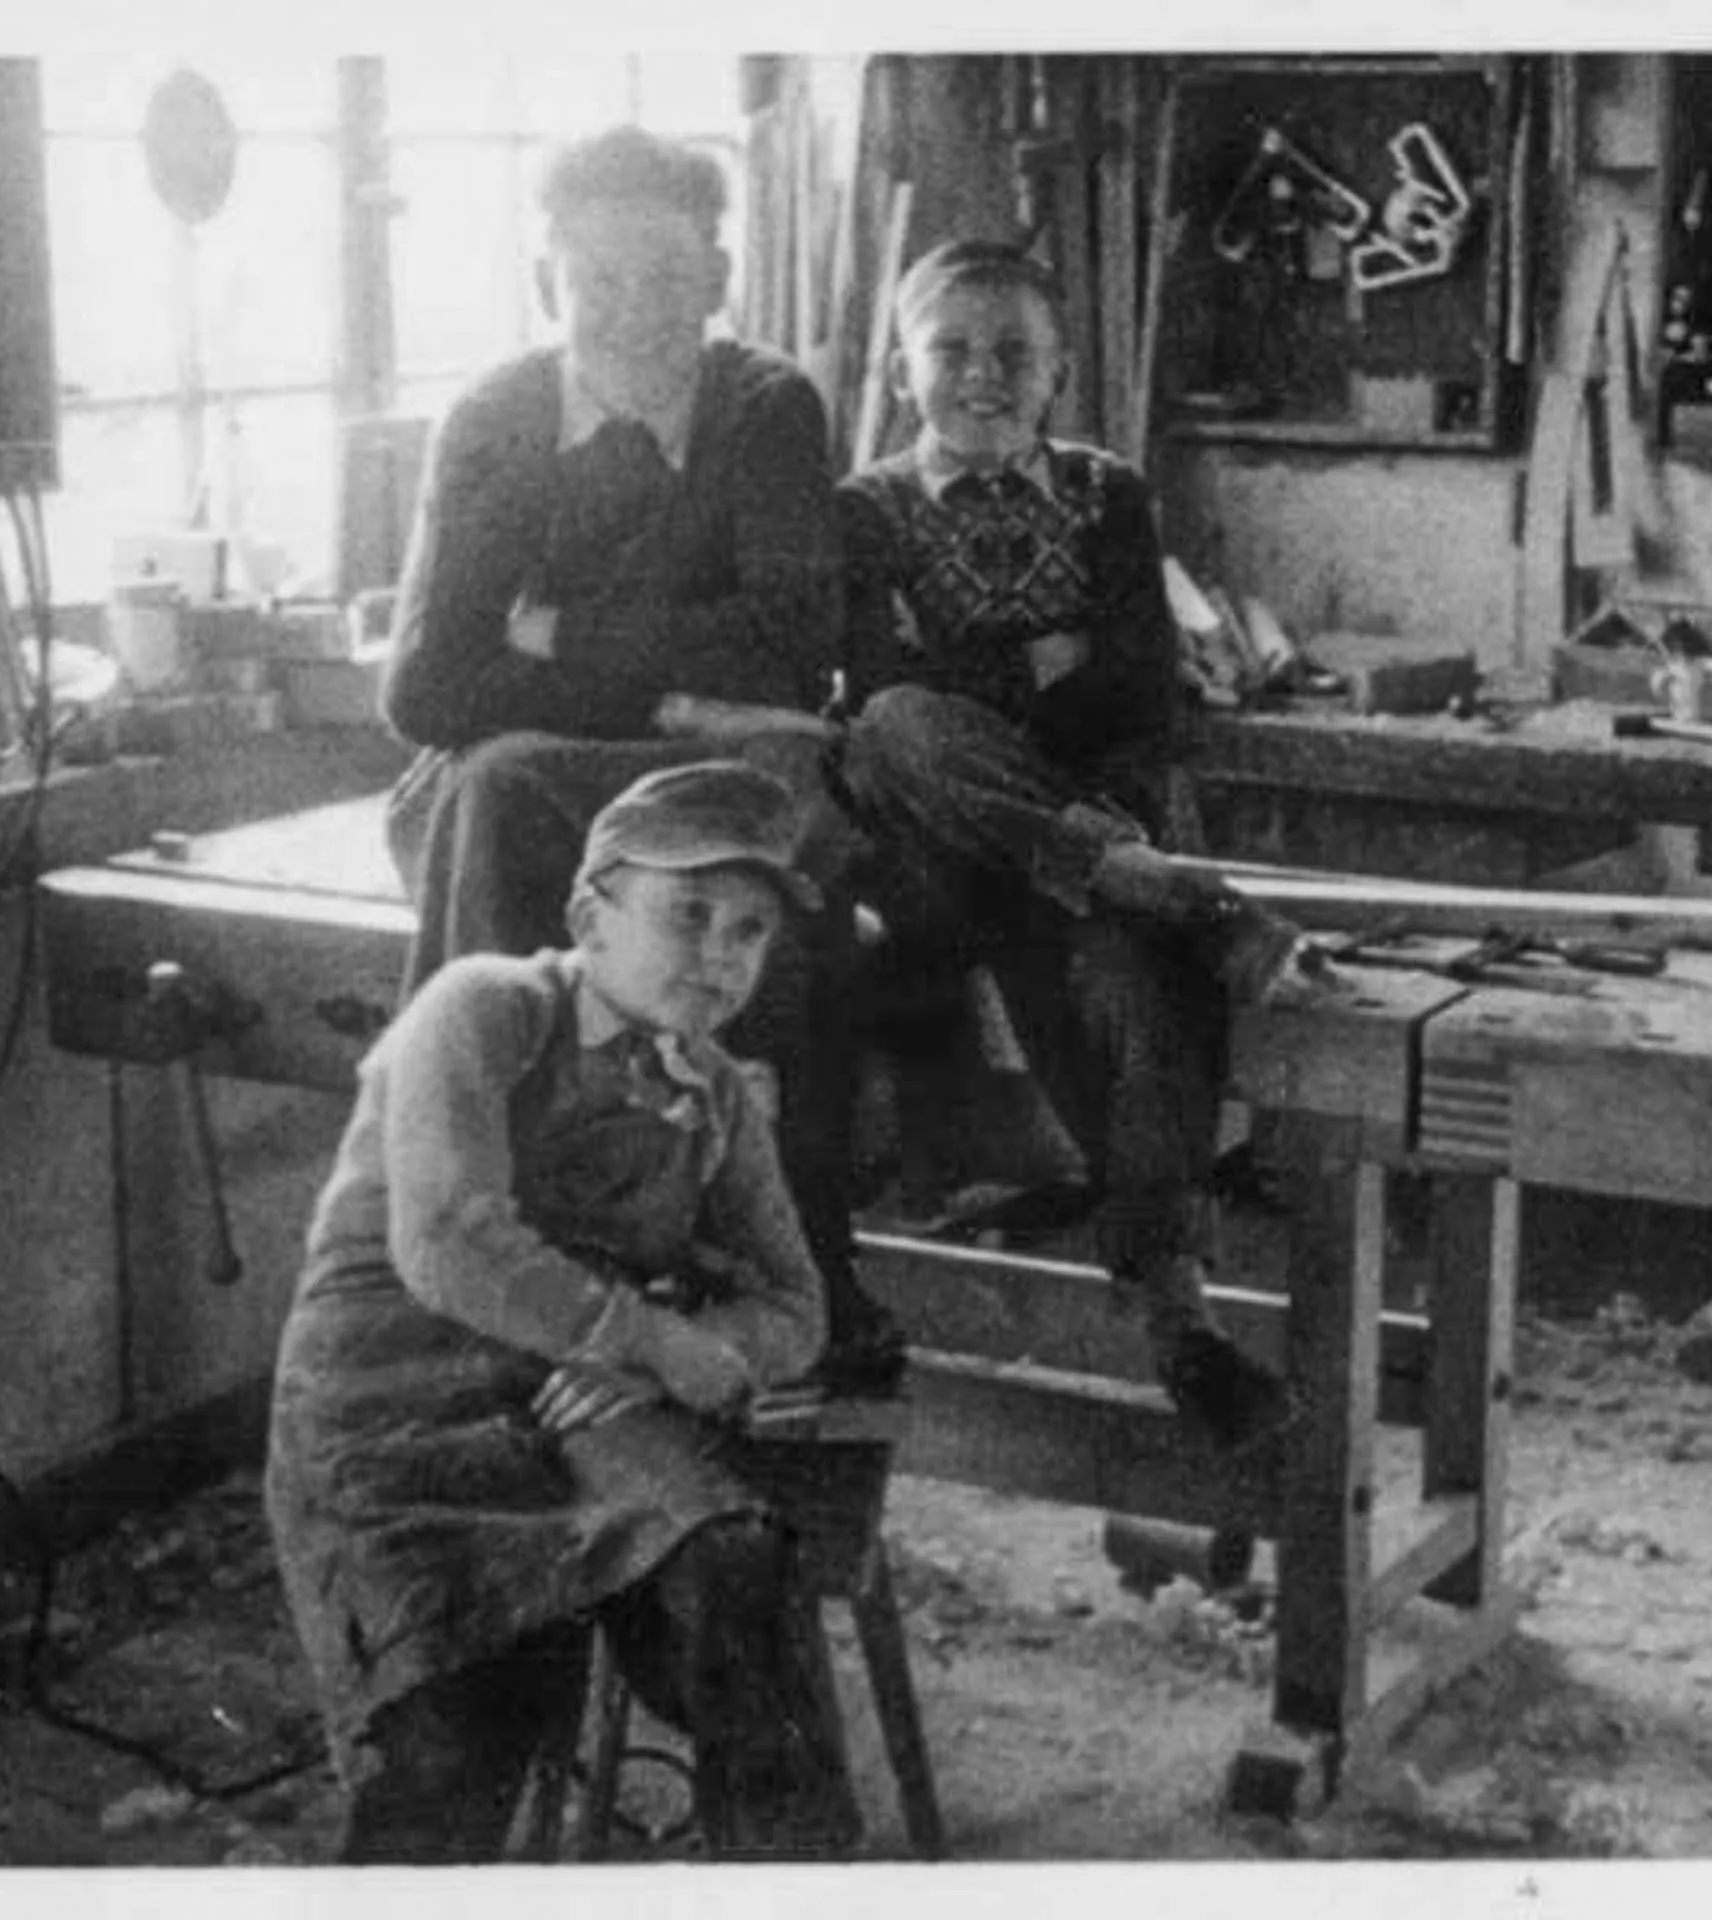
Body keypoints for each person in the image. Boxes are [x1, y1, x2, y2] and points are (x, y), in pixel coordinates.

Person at [374, 123, 894, 1379]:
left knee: (742, 851)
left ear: (715, 281)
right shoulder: (497, 418)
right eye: (596, 278)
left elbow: (787, 642)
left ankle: (779, 1255)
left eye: (666, 278)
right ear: (548, 280)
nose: (631, 310)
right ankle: (483, 1245)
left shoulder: (766, 404)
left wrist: (552, 639)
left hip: (720, 771)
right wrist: (670, 699)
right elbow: (426, 686)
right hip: (541, 777)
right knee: (492, 783)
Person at [267, 761, 858, 1863]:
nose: (720, 953)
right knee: (452, 1725)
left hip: (576, 1396)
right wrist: (650, 1342)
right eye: (688, 914)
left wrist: (690, 1355)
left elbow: (793, 1307)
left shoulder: (719, 1091)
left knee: (734, 1576)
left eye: (749, 931)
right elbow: (448, 1241)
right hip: (393, 1389)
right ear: (591, 914)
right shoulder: (486, 1005)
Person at [833, 239, 1309, 1455]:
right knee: (894, 727)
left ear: (1057, 375)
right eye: (952, 351)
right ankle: (1155, 885)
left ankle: (1181, 1323)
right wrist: (1042, 671)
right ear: (902, 372)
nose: (981, 377)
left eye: (1014, 355)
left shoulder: (1109, 494)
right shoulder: (865, 511)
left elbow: (1144, 697)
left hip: (1078, 847)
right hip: (943, 863)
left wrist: (1000, 705)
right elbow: (892, 701)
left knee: (1143, 982)